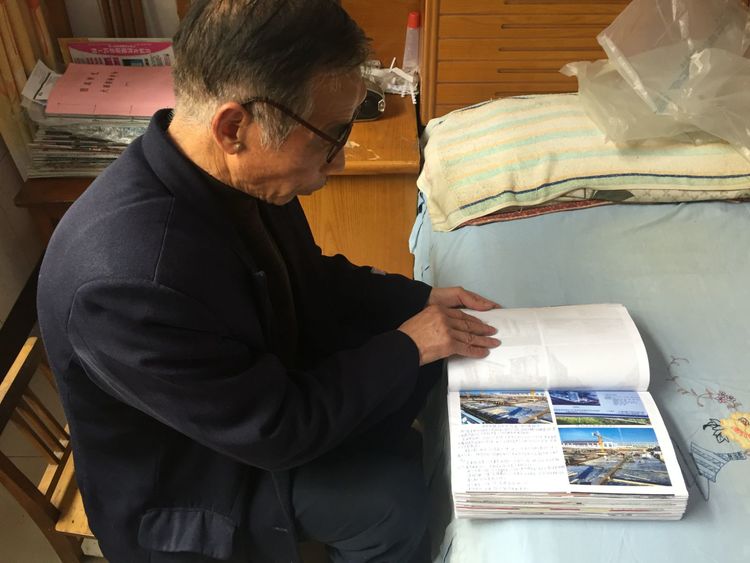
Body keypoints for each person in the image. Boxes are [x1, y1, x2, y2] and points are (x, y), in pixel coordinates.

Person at [37, 1, 500, 562]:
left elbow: (310, 275)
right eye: (330, 136)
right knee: (389, 500)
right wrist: (407, 344)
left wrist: (419, 300)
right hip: (194, 478)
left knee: (420, 374)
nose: (338, 162)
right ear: (234, 127)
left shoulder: (231, 176)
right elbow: (276, 430)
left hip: (239, 402)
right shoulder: (128, 285)